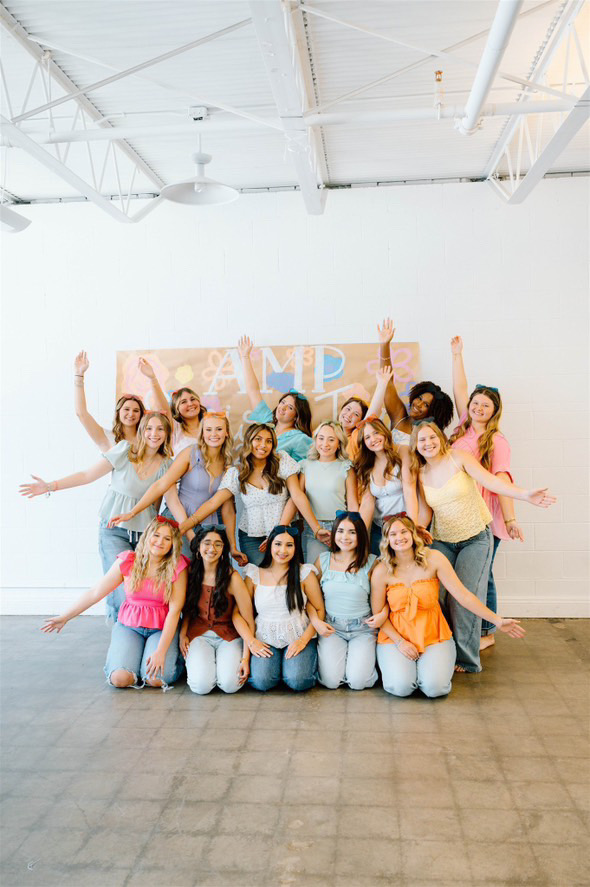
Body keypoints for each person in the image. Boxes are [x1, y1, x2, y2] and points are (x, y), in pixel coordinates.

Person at [411, 420, 556, 673]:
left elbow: (492, 482)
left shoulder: (459, 458)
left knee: (464, 597)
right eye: (422, 440)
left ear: (440, 438)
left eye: (432, 437)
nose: (428, 443)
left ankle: (466, 659)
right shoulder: (420, 473)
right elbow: (425, 512)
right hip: (443, 540)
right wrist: (415, 531)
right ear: (416, 446)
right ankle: (444, 648)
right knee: (438, 594)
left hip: (475, 538)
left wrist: (523, 494)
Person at [20, 411, 185, 622]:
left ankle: (144, 634)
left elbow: (174, 502)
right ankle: (122, 632)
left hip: (147, 536)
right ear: (142, 431)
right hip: (114, 530)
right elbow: (87, 475)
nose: (154, 434)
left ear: (167, 434)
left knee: (141, 589)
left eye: (160, 429)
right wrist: (50, 486)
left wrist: (192, 531)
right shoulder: (124, 450)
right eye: (149, 428)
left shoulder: (167, 465)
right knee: (118, 589)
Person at [371, 514, 526, 697]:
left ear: (413, 534)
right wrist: (400, 643)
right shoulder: (382, 570)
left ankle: (429, 667)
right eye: (393, 534)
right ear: (386, 540)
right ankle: (406, 670)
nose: (399, 537)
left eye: (404, 531)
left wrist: (497, 621)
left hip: (434, 634)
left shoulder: (434, 558)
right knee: (401, 687)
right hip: (396, 638)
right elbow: (378, 614)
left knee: (434, 688)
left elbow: (464, 596)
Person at [42, 516, 188, 690]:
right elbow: (96, 592)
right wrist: (65, 616)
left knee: (155, 679)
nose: (160, 542)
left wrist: (161, 651)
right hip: (130, 627)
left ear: (173, 543)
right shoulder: (128, 560)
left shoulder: (177, 566)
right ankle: (134, 666)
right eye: (156, 535)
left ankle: (172, 663)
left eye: (167, 538)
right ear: (147, 536)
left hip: (161, 629)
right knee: (120, 679)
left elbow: (174, 611)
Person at [449, 335, 523, 651]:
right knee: (469, 573)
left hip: (484, 516)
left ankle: (486, 631)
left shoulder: (497, 441)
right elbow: (460, 391)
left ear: (494, 412)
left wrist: (510, 518)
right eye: (476, 403)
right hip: (458, 513)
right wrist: (457, 355)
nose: (478, 407)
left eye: (485, 405)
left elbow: (502, 479)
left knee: (484, 574)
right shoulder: (464, 427)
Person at [179, 423, 330, 566]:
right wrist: (184, 527)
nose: (263, 445)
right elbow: (214, 503)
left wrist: (315, 529)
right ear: (248, 441)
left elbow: (297, 496)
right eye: (258, 439)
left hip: (283, 534)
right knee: (260, 582)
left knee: (286, 580)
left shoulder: (282, 460)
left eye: (268, 441)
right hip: (251, 539)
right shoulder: (237, 472)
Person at [108, 412, 239, 560]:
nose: (214, 434)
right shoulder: (191, 453)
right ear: (202, 433)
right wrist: (132, 512)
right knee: (173, 574)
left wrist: (233, 546)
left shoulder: (228, 465)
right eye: (208, 430)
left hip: (207, 527)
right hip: (177, 521)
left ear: (227, 432)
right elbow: (161, 485)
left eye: (219, 429)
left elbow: (228, 509)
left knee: (199, 577)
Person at [233, 526, 325, 692]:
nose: (283, 550)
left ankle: (291, 669)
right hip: (265, 636)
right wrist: (251, 642)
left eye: (289, 545)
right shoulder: (255, 574)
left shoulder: (304, 573)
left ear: (296, 548)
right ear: (269, 546)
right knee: (262, 682)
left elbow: (319, 610)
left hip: (298, 635)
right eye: (278, 544)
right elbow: (237, 614)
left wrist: (303, 641)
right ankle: (279, 669)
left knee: (298, 681)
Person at [308, 512, 383, 690]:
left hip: (362, 628)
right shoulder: (323, 560)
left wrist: (382, 615)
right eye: (340, 531)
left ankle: (362, 664)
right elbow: (309, 599)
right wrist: (315, 621)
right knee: (330, 682)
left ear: (361, 536)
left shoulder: (372, 563)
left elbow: (384, 598)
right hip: (331, 628)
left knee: (358, 682)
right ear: (334, 533)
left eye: (352, 532)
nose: (345, 537)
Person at [180, 526, 256, 694]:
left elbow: (248, 619)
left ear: (223, 550)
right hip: (198, 635)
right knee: (201, 687)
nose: (211, 549)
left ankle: (218, 666)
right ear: (199, 547)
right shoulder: (190, 573)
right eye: (207, 543)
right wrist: (182, 634)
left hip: (228, 636)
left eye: (218, 544)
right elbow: (187, 610)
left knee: (230, 685)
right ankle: (202, 666)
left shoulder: (233, 577)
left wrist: (245, 658)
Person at [375, 318, 454, 444]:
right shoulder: (399, 416)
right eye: (420, 398)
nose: (418, 404)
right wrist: (384, 345)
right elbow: (387, 381)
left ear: (433, 412)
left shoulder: (436, 436)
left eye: (426, 405)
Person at [288, 421, 358, 563]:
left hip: (340, 525)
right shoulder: (305, 465)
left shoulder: (346, 467)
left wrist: (352, 530)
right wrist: (316, 528)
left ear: (339, 443)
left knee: (342, 569)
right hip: (313, 527)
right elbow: (297, 498)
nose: (325, 444)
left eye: (331, 440)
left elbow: (352, 504)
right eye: (321, 438)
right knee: (314, 572)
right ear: (315, 440)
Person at [237, 336, 313, 462]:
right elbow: (253, 390)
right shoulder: (266, 421)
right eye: (282, 402)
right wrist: (245, 357)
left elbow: (303, 472)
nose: (282, 408)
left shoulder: (300, 439)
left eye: (290, 407)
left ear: (296, 416)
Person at [73, 352, 167, 452]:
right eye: (126, 409)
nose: (131, 414)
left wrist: (152, 378)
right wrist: (79, 376)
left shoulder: (148, 439)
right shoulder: (107, 437)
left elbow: (165, 413)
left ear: (141, 415)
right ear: (118, 412)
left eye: (136, 410)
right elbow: (81, 413)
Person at [354, 416, 420, 555]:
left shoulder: (402, 451)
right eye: (367, 437)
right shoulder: (365, 465)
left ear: (384, 432)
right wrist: (359, 537)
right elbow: (367, 504)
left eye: (376, 433)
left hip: (404, 526)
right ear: (363, 442)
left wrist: (412, 529)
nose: (373, 439)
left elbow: (410, 491)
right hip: (381, 529)